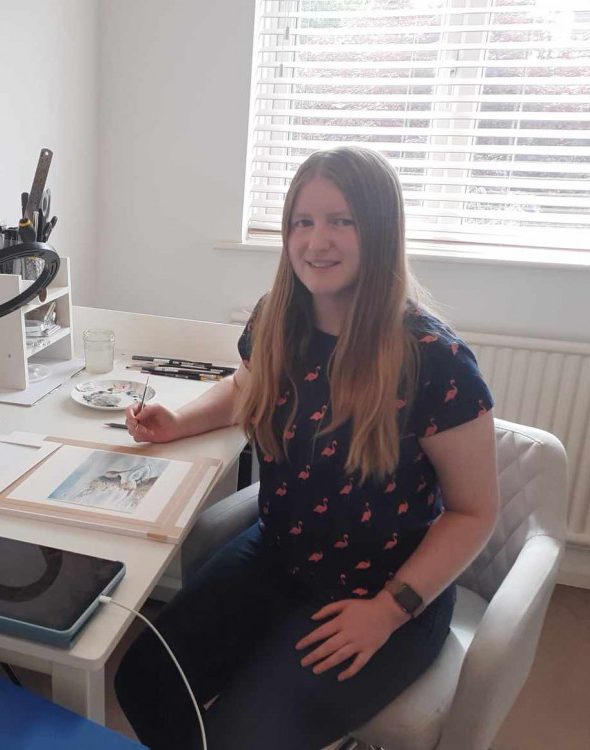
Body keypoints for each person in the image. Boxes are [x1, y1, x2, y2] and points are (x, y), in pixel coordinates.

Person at [113, 147, 500, 750]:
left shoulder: (435, 362)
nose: (317, 241)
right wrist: (178, 422)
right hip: (280, 557)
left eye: (341, 221)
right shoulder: (277, 319)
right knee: (144, 679)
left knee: (243, 732)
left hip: (388, 588)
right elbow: (246, 385)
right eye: (303, 221)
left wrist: (387, 611)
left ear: (379, 231)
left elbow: (475, 511)